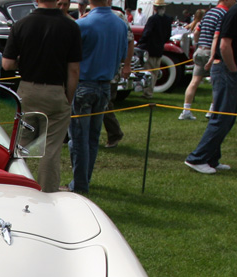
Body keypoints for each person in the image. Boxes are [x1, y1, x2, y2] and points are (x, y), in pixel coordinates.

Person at [2, 0, 82, 193]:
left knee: (22, 146)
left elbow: (7, 64)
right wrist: (68, 98)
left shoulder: (21, 24)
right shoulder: (71, 26)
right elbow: (73, 70)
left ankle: (16, 187)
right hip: (56, 91)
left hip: (28, 90)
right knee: (51, 150)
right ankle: (47, 193)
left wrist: (24, 60)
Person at [184, 0, 237, 174]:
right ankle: (197, 158)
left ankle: (211, 158)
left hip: (231, 67)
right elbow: (224, 44)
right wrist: (233, 70)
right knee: (222, 117)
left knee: (225, 117)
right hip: (227, 67)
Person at [67, 0, 126, 193]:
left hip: (84, 83)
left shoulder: (83, 24)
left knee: (78, 137)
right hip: (105, 85)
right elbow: (123, 55)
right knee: (93, 136)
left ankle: (80, 183)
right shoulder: (120, 24)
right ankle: (85, 179)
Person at [180, 0, 231, 120]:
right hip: (211, 51)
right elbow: (216, 36)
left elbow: (197, 31)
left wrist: (198, 44)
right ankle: (212, 110)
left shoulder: (208, 13)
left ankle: (186, 110)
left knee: (194, 81)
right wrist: (213, 55)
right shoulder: (224, 14)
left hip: (200, 50)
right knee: (216, 83)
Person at [103, 3, 133, 148]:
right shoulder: (88, 16)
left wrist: (127, 65)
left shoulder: (118, 16)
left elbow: (130, 41)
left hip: (111, 70)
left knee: (105, 104)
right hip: (93, 70)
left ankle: (115, 133)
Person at [138, 0, 173, 98]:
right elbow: (168, 35)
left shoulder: (153, 19)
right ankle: (150, 91)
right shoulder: (167, 19)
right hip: (159, 49)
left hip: (149, 48)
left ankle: (147, 92)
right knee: (155, 71)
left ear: (155, 8)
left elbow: (147, 33)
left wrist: (140, 42)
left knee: (148, 71)